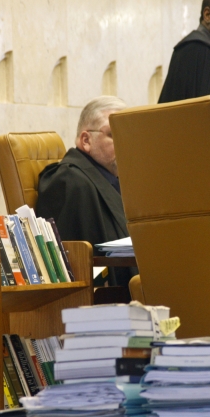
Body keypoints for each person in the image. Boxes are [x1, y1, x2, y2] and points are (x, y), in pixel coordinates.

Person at [35, 96, 136, 286]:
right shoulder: (69, 181)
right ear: (86, 140)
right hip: (104, 300)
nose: (125, 143)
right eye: (114, 134)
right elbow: (74, 265)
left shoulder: (120, 180)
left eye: (128, 134)